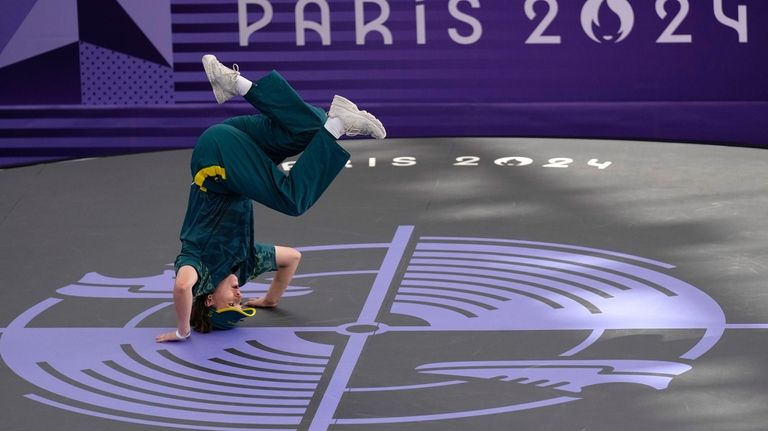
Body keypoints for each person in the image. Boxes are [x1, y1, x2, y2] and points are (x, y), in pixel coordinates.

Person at [155, 55, 385, 342]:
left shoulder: (199, 268)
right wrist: (270, 299)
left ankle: (338, 127)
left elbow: (181, 287)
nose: (239, 297)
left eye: (232, 302)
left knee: (293, 200)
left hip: (216, 163)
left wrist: (183, 329)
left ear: (209, 300)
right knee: (312, 129)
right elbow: (291, 258)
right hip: (231, 148)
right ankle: (235, 84)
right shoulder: (246, 264)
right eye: (241, 303)